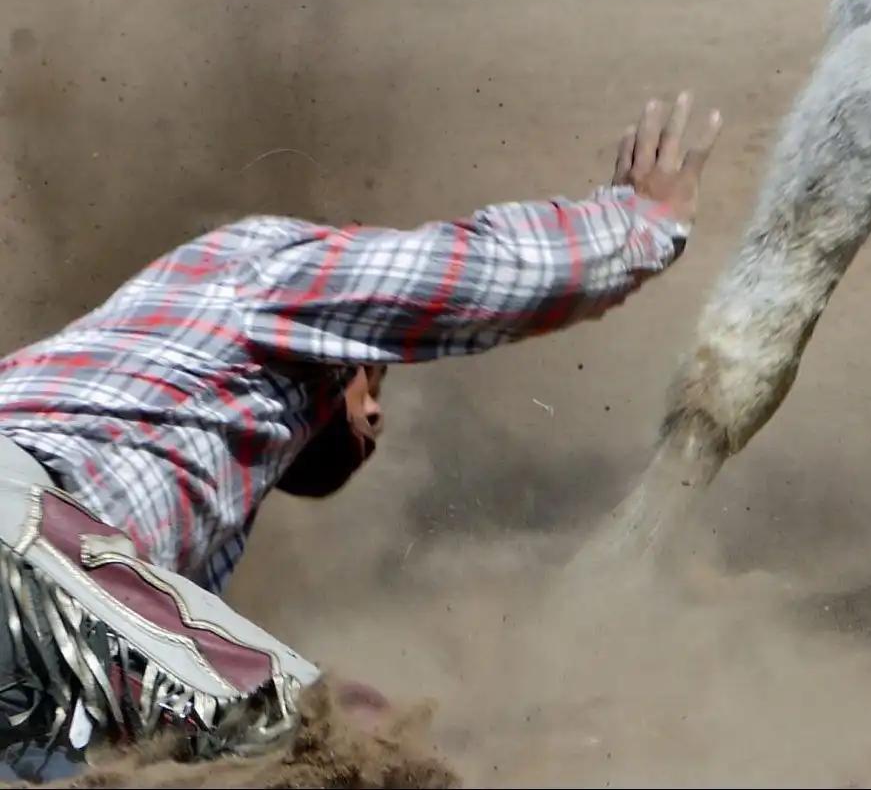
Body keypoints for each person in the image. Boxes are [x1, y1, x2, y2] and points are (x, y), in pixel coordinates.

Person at [0, 93, 719, 782]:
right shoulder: (258, 269)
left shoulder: (151, 443)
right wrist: (638, 223)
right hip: (19, 538)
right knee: (342, 743)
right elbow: (461, 276)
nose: (375, 418)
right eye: (373, 379)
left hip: (32, 645)